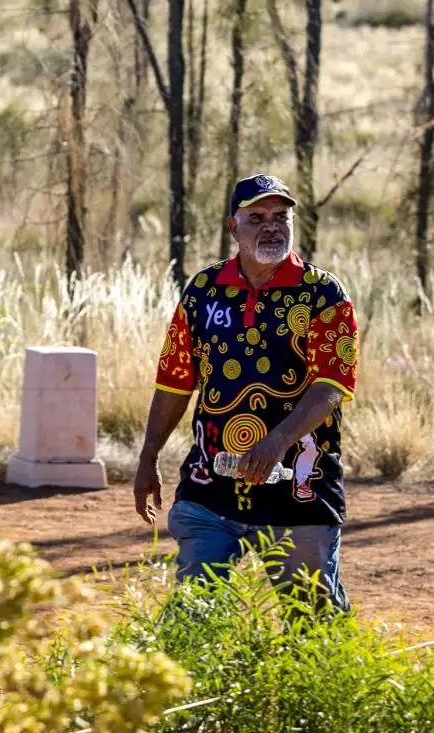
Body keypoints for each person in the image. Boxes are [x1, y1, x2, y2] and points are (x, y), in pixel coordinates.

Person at [130, 174, 359, 608]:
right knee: (195, 617)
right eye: (257, 217)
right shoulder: (203, 291)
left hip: (299, 492)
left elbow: (332, 384)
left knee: (312, 622)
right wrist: (148, 457)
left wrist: (276, 442)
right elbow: (175, 381)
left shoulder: (323, 294)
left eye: (281, 216)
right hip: (209, 488)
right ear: (233, 227)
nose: (271, 226)